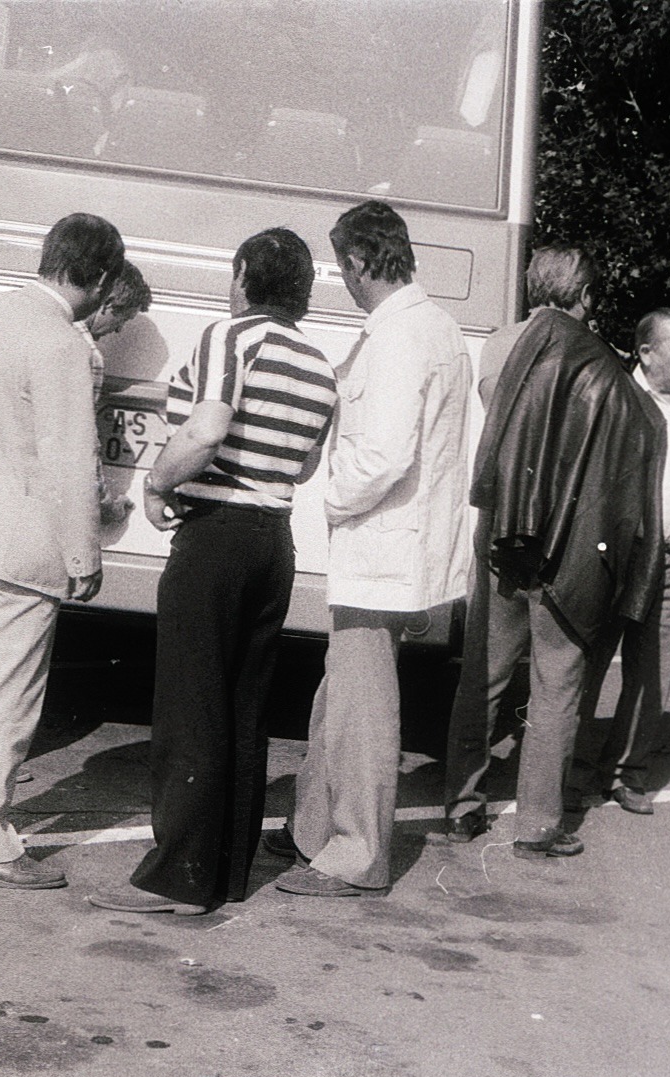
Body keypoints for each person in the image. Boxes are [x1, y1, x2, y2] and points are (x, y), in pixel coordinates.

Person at [86, 229, 336, 915]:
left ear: (248, 274)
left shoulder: (231, 337)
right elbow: (307, 463)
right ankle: (226, 870)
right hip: (273, 542)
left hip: (217, 534)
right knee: (243, 707)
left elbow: (205, 428)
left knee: (190, 707)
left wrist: (159, 487)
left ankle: (177, 878)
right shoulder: (319, 363)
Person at [0, 213, 125, 889]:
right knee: (6, 698)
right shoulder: (62, 345)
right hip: (24, 545)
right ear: (95, 277)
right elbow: (69, 458)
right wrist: (83, 554)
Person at [272, 201, 471, 897]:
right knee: (340, 694)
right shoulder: (435, 326)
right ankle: (313, 829)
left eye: (342, 268)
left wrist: (328, 498)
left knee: (360, 710)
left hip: (380, 548)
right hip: (400, 548)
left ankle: (357, 855)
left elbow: (382, 456)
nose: (343, 281)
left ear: (360, 261)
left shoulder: (396, 338)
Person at [442, 243, 665, 858]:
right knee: (557, 680)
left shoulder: (500, 342)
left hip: (504, 529)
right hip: (568, 538)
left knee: (483, 675)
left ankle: (461, 805)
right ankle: (537, 824)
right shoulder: (596, 362)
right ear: (583, 294)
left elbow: (507, 430)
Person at [0, 262, 151, 676]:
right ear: (106, 300)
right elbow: (74, 448)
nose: (115, 332)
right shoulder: (78, 351)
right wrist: (103, 510)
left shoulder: (1, 318)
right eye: (120, 319)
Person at [567, 308, 670, 814]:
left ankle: (627, 773)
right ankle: (571, 772)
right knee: (588, 663)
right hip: (621, 556)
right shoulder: (618, 396)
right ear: (647, 352)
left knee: (654, 669)